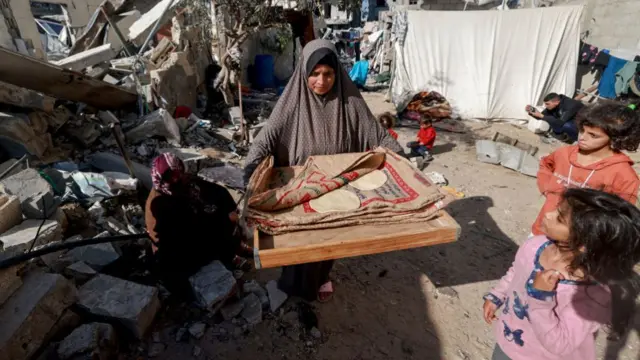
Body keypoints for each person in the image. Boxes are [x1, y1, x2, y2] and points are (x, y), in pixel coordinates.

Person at [243, 39, 403, 302]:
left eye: (328, 73)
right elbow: (265, 139)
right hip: (299, 186)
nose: (322, 81)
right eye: (314, 74)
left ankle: (321, 278)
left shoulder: (350, 101)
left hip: (337, 186)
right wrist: (250, 170)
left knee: (329, 240)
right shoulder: (291, 103)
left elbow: (379, 136)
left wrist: (402, 161)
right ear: (304, 74)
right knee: (299, 243)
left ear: (337, 73)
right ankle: (295, 286)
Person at [483, 188, 640, 360]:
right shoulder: (535, 245)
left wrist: (541, 298)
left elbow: (561, 343)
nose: (548, 214)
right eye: (557, 208)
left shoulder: (592, 293)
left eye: (559, 218)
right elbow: (516, 271)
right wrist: (497, 295)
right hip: (508, 343)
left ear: (584, 243)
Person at [146, 153, 252, 293]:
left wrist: (229, 207)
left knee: (220, 204)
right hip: (181, 251)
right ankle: (228, 256)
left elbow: (213, 190)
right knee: (217, 230)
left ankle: (233, 247)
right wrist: (225, 219)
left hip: (193, 228)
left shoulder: (178, 184)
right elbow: (191, 232)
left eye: (182, 173)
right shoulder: (162, 205)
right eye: (178, 178)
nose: (184, 178)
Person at [532, 102, 640, 236]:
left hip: (577, 242)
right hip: (541, 229)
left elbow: (620, 216)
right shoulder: (564, 153)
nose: (582, 137)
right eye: (582, 130)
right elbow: (545, 165)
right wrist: (548, 189)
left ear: (615, 138)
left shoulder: (623, 175)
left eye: (593, 135)